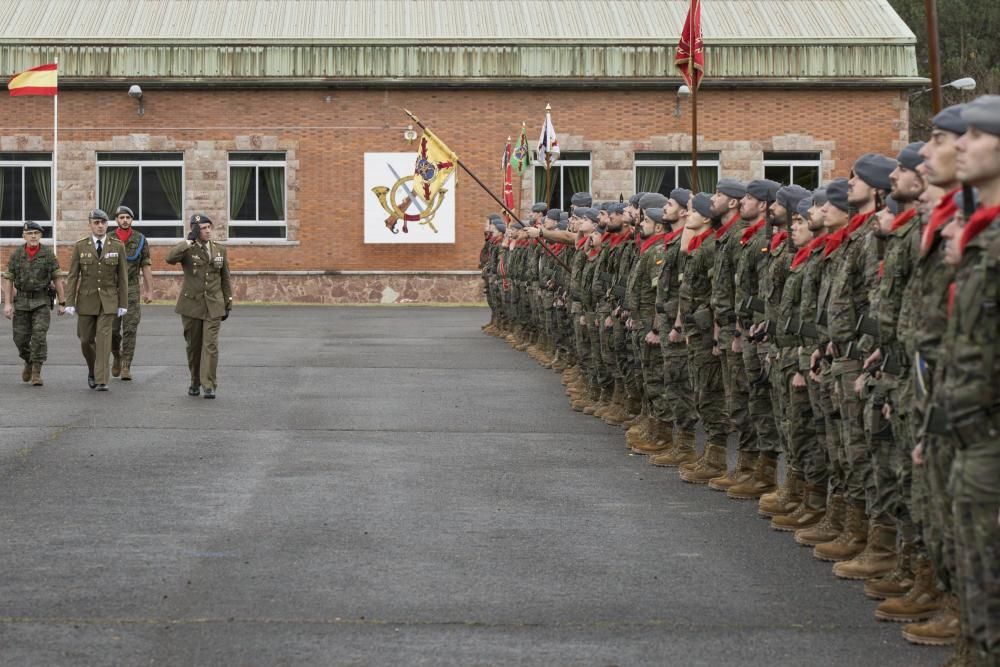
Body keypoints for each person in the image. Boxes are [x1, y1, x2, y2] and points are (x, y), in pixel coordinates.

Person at [166, 213, 232, 398]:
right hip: (191, 305)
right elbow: (169, 258)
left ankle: (209, 384)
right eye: (203, 228)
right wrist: (188, 241)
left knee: (210, 345)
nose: (208, 231)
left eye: (209, 227)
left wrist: (228, 302)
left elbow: (225, 277)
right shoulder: (188, 249)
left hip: (214, 304)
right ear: (195, 230)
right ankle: (195, 381)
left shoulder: (219, 249)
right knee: (194, 346)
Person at [64, 209, 128, 391]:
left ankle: (101, 379)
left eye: (103, 223)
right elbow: (73, 276)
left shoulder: (117, 245)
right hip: (86, 300)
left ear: (107, 224)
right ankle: (92, 370)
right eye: (96, 223)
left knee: (104, 340)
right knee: (85, 340)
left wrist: (123, 303)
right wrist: (69, 301)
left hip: (108, 301)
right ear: (90, 224)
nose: (100, 226)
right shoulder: (80, 246)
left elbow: (122, 277)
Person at [2, 221, 66, 386]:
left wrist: (62, 301)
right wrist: (7, 303)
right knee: (20, 339)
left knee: (39, 336)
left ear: (40, 236)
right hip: (22, 301)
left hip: (41, 301)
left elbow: (57, 278)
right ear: (24, 236)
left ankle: (37, 371)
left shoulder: (48, 255)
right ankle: (28, 361)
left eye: (36, 233)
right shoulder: (17, 255)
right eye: (29, 233)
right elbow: (8, 279)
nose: (33, 236)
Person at [109, 205, 153, 381]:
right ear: (117, 220)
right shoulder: (108, 238)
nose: (124, 220)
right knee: (112, 330)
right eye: (121, 217)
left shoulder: (140, 239)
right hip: (111, 290)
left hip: (132, 290)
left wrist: (149, 290)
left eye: (128, 217)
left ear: (132, 220)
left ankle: (126, 364)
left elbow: (146, 266)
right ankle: (117, 357)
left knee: (130, 328)